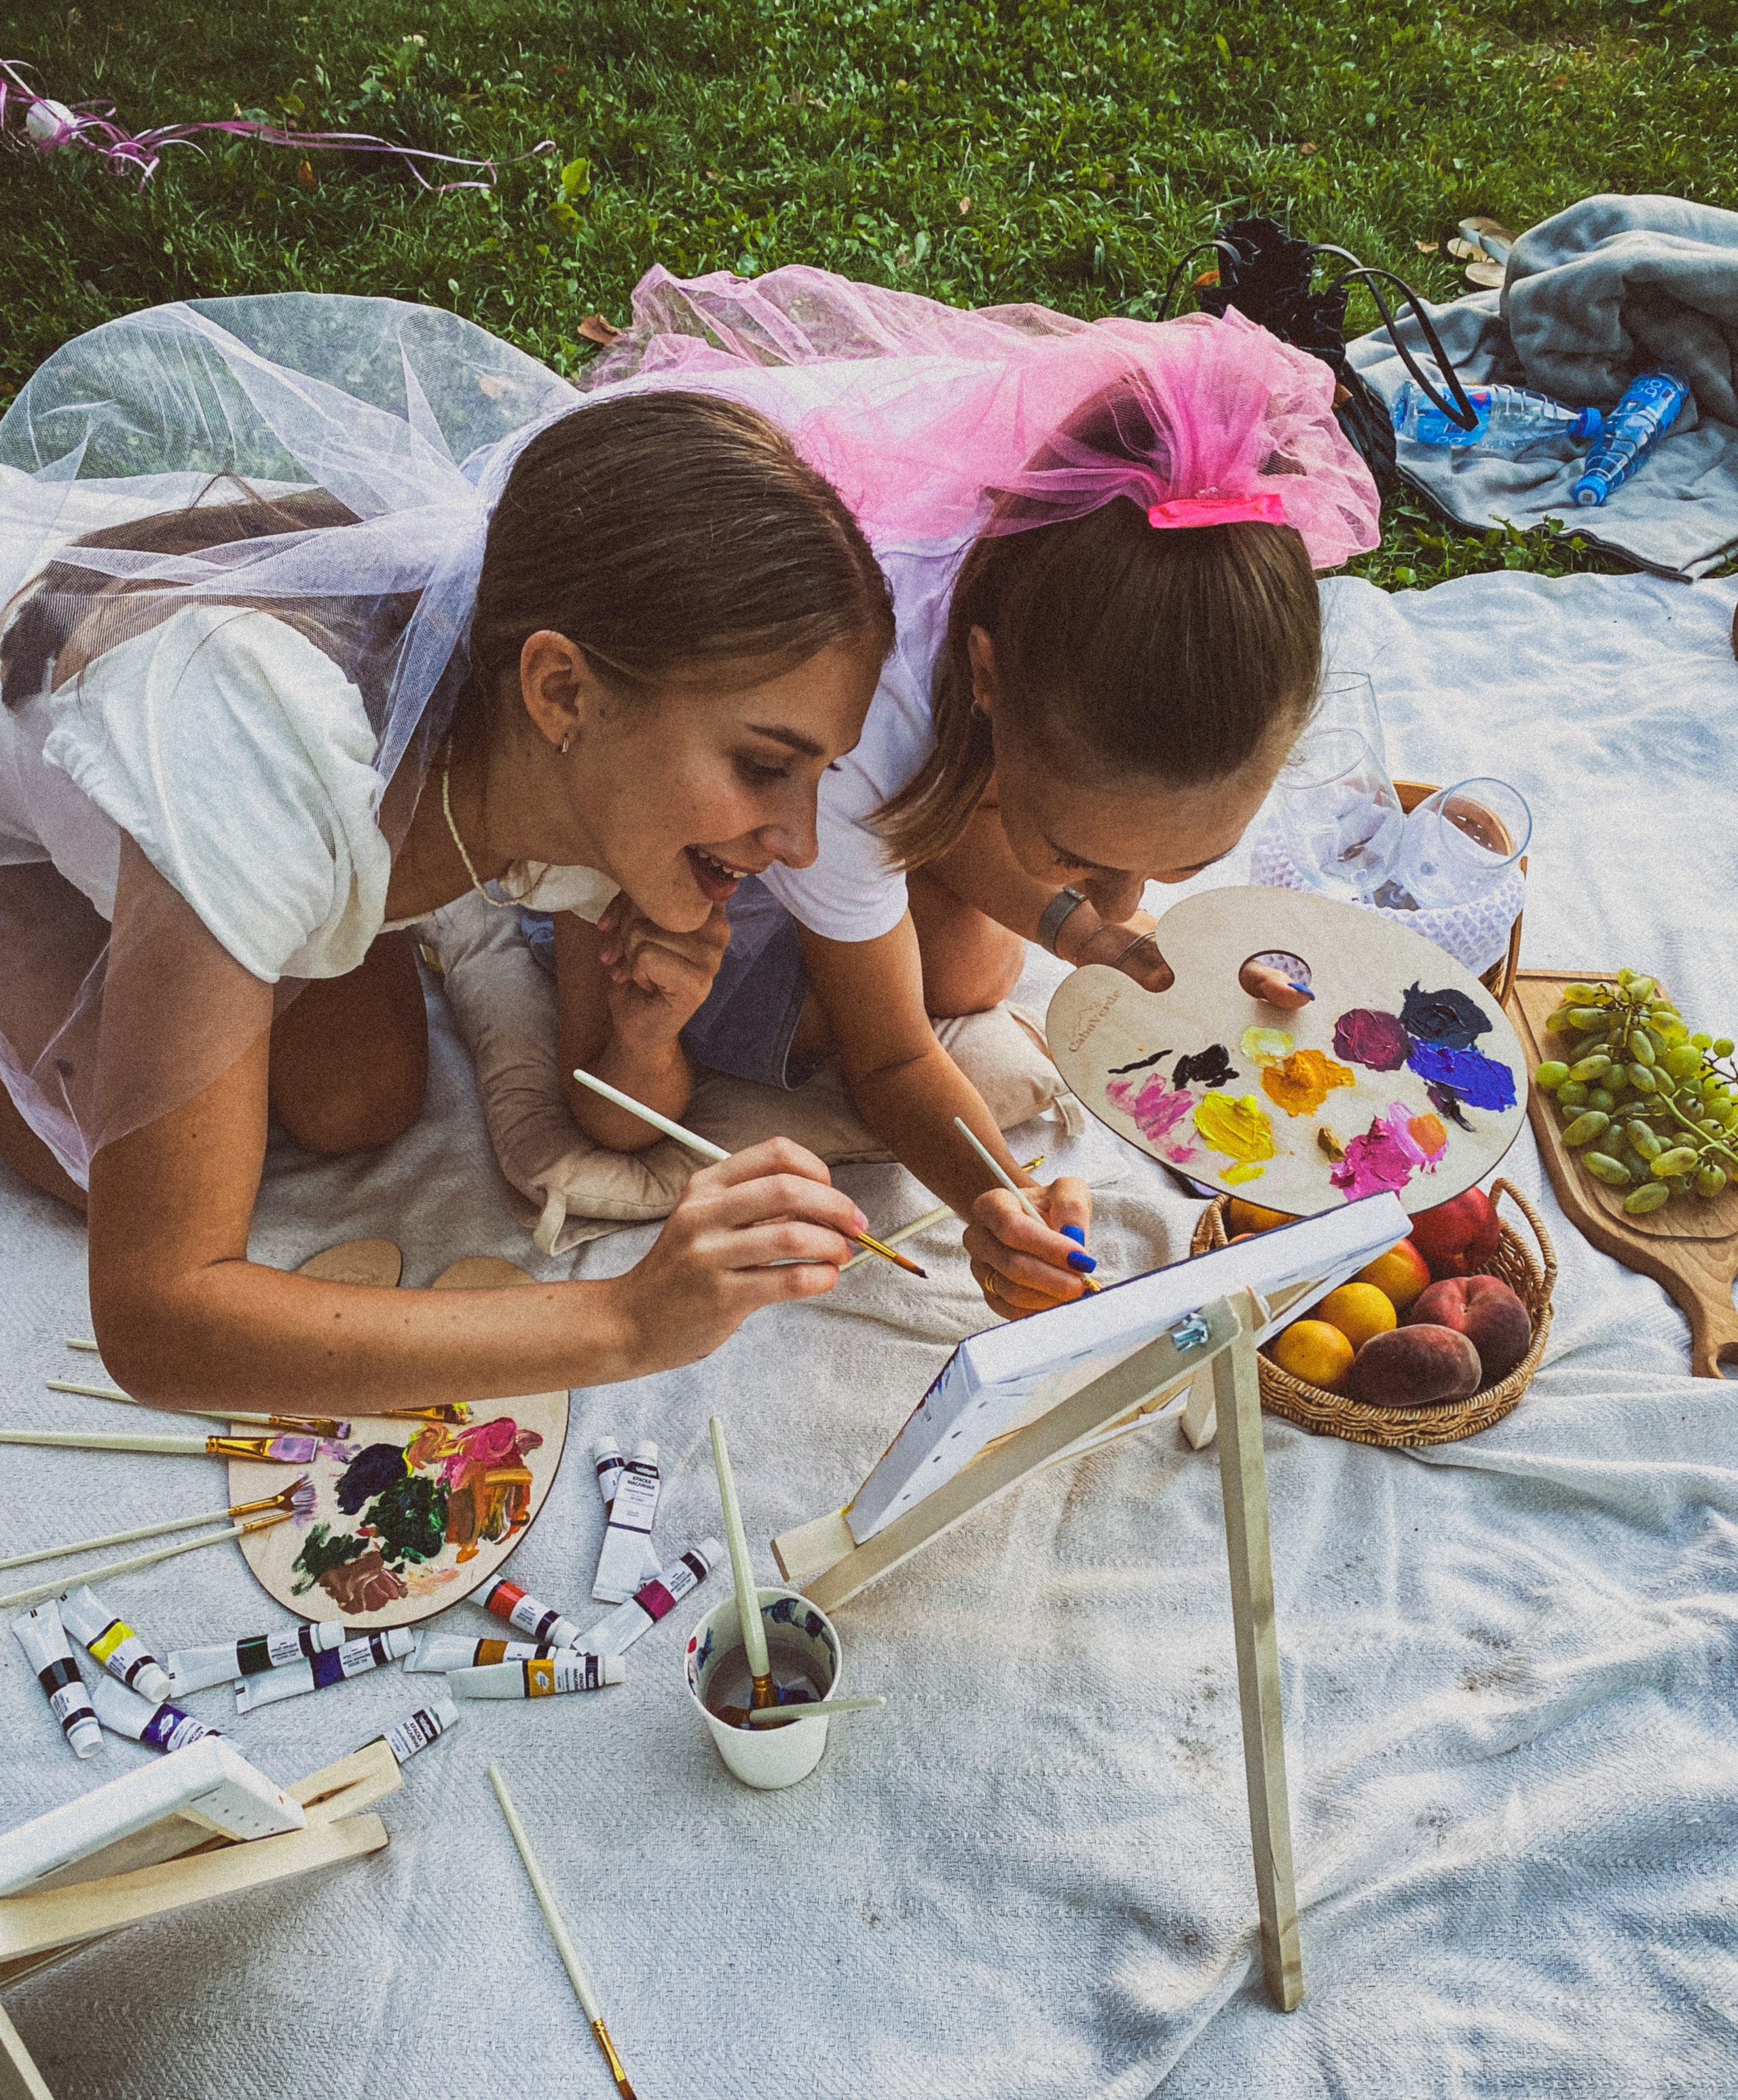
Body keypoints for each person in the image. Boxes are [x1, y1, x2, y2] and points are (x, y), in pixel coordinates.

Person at [0, 295, 897, 1412]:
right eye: (766, 766)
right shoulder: (259, 752)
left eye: (824, 774)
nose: (798, 842)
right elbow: (158, 1321)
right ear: (561, 689)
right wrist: (625, 1318)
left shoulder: (585, 781)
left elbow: (602, 1102)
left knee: (365, 1101)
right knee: (108, 1174)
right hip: (40, 809)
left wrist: (643, 1029)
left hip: (263, 794)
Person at [537, 269, 1381, 1319]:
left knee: (973, 951)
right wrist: (1003, 1200)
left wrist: (1067, 921)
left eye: (1179, 865)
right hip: (652, 779)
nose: (1123, 906)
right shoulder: (836, 739)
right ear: (984, 681)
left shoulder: (1067, 617)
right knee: (964, 964)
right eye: (1080, 854)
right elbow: (887, 1057)